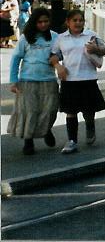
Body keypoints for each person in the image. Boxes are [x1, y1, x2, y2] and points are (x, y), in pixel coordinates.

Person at [50, 9, 105, 154]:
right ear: (68, 22)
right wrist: (58, 66)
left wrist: (95, 48)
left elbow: (104, 49)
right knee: (71, 111)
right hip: (69, 79)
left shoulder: (91, 35)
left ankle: (90, 126)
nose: (78, 23)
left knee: (89, 110)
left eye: (80, 20)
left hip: (88, 77)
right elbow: (53, 56)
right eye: (74, 20)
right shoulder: (61, 38)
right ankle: (72, 141)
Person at [7, 8, 60, 155]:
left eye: (46, 21)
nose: (43, 24)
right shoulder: (26, 38)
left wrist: (57, 59)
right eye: (40, 22)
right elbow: (16, 58)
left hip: (49, 80)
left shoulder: (55, 37)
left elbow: (61, 54)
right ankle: (28, 141)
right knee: (29, 112)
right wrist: (13, 80)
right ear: (34, 22)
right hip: (28, 80)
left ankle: (46, 130)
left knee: (50, 110)